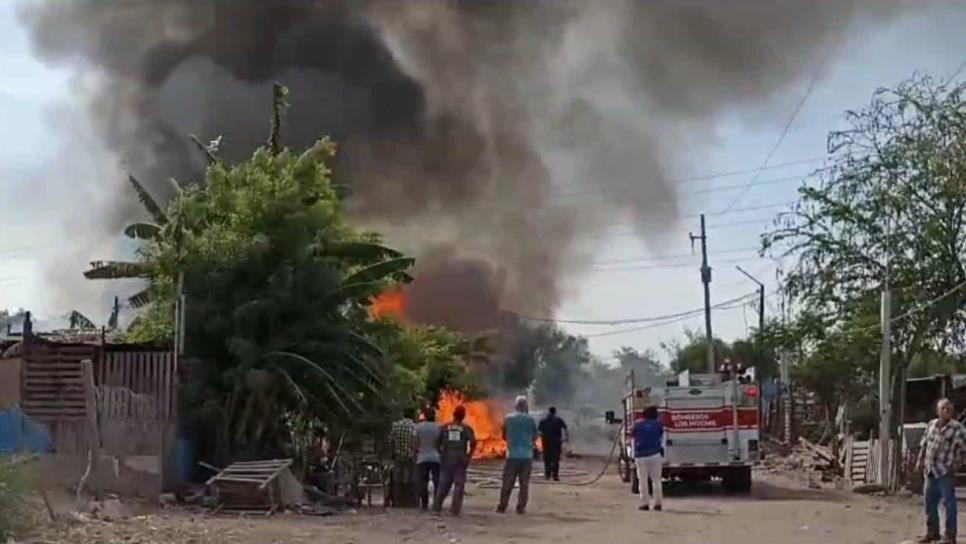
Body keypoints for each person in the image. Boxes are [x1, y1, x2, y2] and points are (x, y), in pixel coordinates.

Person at [916, 398, 966, 543]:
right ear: (938, 411)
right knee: (929, 503)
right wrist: (920, 461)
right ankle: (932, 533)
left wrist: (956, 464)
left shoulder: (958, 429)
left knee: (948, 504)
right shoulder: (931, 425)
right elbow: (924, 444)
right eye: (943, 408)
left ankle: (950, 536)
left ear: (952, 412)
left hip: (945, 471)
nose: (946, 411)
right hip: (930, 470)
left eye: (948, 409)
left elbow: (964, 450)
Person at [433, 405, 477, 515]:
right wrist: (468, 456)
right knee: (459, 484)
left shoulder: (445, 427)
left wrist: (440, 452)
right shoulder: (466, 428)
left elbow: (436, 442)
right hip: (460, 459)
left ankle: (437, 506)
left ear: (453, 415)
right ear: (463, 416)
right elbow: (473, 442)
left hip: (446, 458)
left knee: (443, 483)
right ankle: (455, 509)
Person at [498, 395, 538, 514]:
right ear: (526, 406)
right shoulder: (530, 420)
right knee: (524, 484)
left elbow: (504, 436)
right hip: (527, 456)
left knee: (507, 482)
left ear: (516, 405)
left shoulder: (508, 418)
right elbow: (534, 437)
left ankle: (502, 506)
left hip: (512, 456)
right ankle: (520, 507)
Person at [632, 405, 664, 512]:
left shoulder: (637, 424)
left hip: (641, 456)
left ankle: (644, 504)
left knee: (643, 480)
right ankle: (658, 504)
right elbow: (661, 435)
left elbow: (632, 435)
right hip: (655, 454)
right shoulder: (658, 424)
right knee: (656, 480)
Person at [414, 407, 442, 510]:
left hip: (422, 458)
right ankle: (437, 503)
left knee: (422, 482)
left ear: (424, 415)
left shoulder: (419, 427)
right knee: (437, 481)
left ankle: (424, 503)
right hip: (436, 458)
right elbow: (440, 443)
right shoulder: (439, 427)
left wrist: (416, 452)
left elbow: (416, 444)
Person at [389, 409, 418, 507]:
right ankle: (410, 501)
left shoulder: (395, 426)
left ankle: (397, 501)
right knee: (410, 478)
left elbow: (391, 441)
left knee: (398, 479)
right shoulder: (415, 427)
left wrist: (392, 452)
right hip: (411, 456)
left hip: (398, 455)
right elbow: (416, 442)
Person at [538, 406, 568, 481]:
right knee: (555, 459)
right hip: (556, 442)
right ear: (555, 412)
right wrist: (566, 438)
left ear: (549, 412)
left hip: (546, 442)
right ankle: (555, 476)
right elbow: (565, 428)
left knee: (547, 458)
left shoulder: (543, 421)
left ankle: (547, 475)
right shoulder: (559, 420)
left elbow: (539, 432)